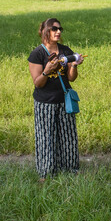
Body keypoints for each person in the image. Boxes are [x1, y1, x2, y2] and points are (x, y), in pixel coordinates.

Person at [28, 18, 84, 182]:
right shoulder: (37, 53)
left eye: (60, 29)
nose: (58, 32)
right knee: (45, 137)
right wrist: (46, 71)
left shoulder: (65, 50)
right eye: (54, 29)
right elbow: (38, 83)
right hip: (45, 102)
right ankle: (46, 173)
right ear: (45, 31)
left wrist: (74, 64)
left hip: (64, 99)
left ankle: (71, 169)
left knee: (68, 136)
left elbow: (71, 79)